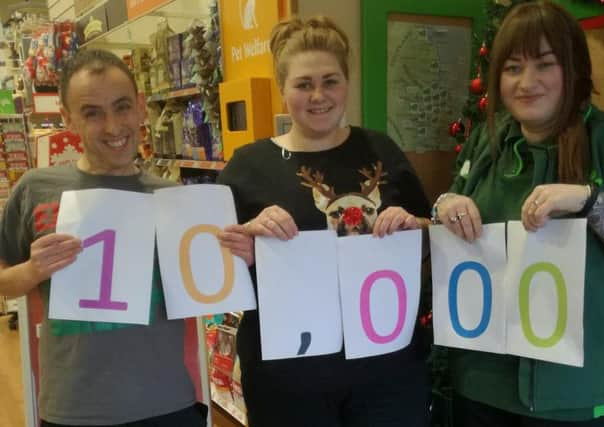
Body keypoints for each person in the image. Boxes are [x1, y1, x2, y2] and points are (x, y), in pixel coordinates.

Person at [0, 48, 252, 427]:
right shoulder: (38, 189)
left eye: (121, 107)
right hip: (73, 407)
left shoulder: (174, 199)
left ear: (139, 107)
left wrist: (237, 256)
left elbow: (212, 291)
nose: (113, 127)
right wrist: (34, 270)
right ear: (67, 118)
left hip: (168, 402)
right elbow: (5, 281)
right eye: (92, 113)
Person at [430, 2, 604, 426]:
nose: (527, 82)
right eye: (512, 68)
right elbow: (451, 219)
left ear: (573, 68)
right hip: (482, 380)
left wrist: (589, 200)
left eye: (545, 64)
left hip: (580, 391)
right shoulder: (487, 144)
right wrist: (445, 205)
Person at [217, 16, 432, 427]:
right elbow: (214, 275)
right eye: (303, 84)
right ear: (283, 90)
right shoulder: (248, 166)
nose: (318, 95)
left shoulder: (381, 150)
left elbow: (426, 242)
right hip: (288, 379)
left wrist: (414, 226)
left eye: (330, 81)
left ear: (347, 83)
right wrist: (243, 245)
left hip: (386, 372)